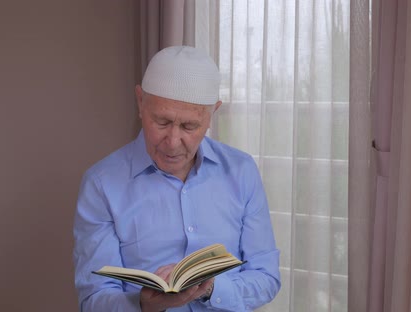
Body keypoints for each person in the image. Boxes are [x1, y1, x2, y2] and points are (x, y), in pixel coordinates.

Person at [73, 46, 281, 312]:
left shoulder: (241, 171)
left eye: (189, 126)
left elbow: (266, 277)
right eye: (161, 122)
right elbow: (94, 299)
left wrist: (211, 289)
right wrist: (142, 305)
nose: (172, 142)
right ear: (140, 101)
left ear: (212, 114)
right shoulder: (101, 184)